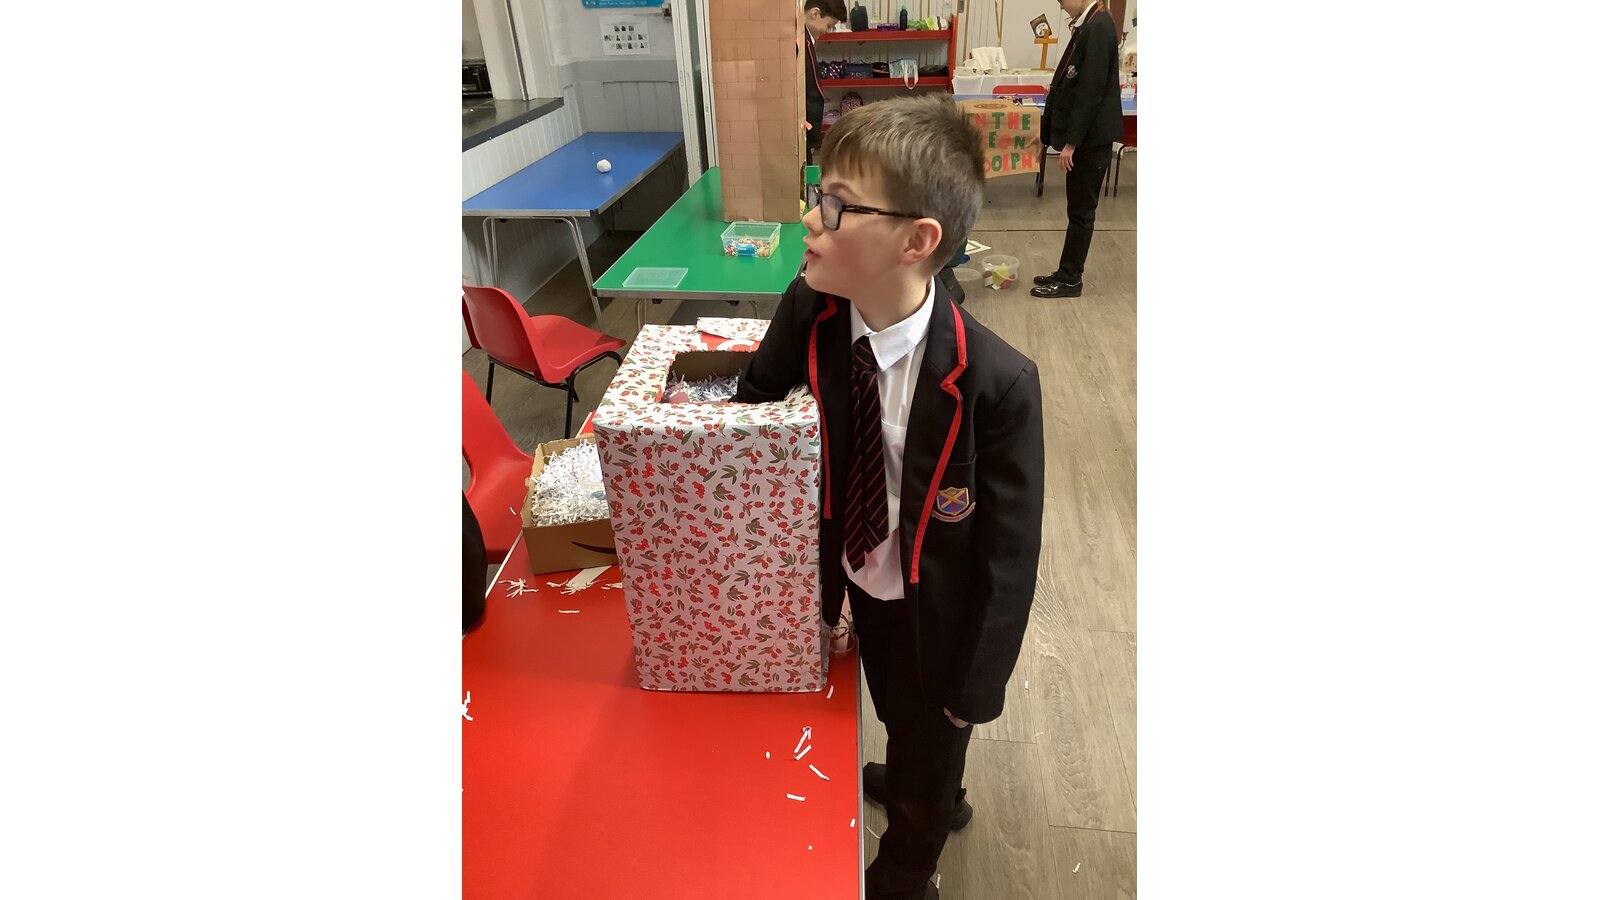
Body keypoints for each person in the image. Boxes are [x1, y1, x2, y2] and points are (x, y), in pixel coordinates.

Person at [734, 95, 1045, 900]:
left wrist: (976, 688)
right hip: (861, 577)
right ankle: (927, 770)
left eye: (838, 205)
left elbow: (1010, 558)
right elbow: (756, 401)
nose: (810, 217)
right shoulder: (811, 309)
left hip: (938, 612)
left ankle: (911, 867)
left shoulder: (998, 384)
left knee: (932, 739)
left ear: (917, 241)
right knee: (894, 704)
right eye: (819, 193)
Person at [1030, 0, 1123, 299]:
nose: (1061, 6)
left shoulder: (1099, 27)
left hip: (1091, 141)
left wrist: (1072, 142)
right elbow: (1066, 83)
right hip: (1084, 138)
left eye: (1062, 1)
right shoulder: (1088, 24)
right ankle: (1065, 271)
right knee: (1076, 210)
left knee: (1082, 212)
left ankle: (1071, 280)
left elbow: (1089, 93)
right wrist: (1046, 134)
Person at [802, 0, 848, 167]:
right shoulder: (799, 42)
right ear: (815, 13)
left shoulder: (807, 40)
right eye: (829, 26)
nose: (828, 32)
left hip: (806, 131)